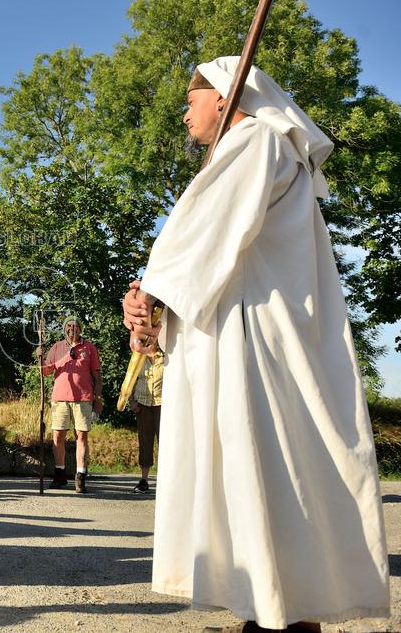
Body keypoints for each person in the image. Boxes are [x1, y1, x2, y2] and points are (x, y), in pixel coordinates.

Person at [122, 57, 389, 630]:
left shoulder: (256, 140)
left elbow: (198, 236)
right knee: (254, 467)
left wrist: (152, 291)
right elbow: (205, 244)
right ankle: (270, 606)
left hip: (258, 342)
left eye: (191, 98)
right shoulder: (254, 148)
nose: (184, 110)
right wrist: (155, 299)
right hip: (245, 329)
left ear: (224, 97)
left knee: (262, 459)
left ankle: (282, 612)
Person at [38, 316, 102, 493]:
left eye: (75, 326)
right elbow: (46, 371)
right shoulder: (57, 347)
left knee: (81, 436)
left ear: (80, 329)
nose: (71, 329)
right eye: (68, 326)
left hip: (83, 398)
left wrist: (98, 398)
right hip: (60, 399)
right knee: (58, 436)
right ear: (64, 329)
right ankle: (60, 474)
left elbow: (97, 376)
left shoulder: (89, 348)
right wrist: (40, 358)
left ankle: (80, 476)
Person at [127, 350, 163, 494]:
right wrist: (132, 402)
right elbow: (130, 380)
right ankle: (144, 480)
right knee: (145, 442)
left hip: (163, 404)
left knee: (166, 443)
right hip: (142, 404)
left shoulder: (166, 356)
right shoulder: (138, 357)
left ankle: (167, 479)